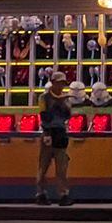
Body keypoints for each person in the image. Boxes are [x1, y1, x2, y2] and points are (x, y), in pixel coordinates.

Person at [35, 71, 73, 205]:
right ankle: (41, 193)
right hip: (48, 132)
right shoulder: (44, 98)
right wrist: (56, 104)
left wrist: (62, 104)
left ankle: (63, 194)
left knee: (62, 166)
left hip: (61, 133)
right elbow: (44, 116)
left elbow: (68, 115)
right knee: (43, 165)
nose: (61, 86)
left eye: (63, 84)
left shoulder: (66, 98)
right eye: (59, 83)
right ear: (53, 82)